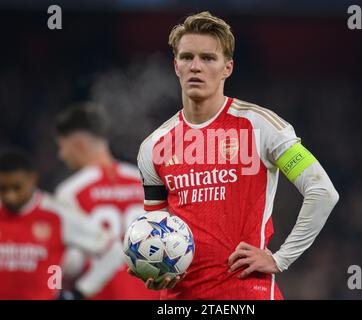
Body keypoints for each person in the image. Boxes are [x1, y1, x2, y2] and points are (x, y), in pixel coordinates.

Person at [132, 11, 339, 300]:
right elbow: (157, 232)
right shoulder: (153, 146)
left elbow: (322, 191)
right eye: (187, 57)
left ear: (227, 67)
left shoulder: (262, 126)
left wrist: (280, 259)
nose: (196, 67)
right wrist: (155, 271)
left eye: (208, 58)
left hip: (246, 295)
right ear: (175, 65)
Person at [54, 102, 159, 300]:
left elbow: (70, 260)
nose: (61, 156)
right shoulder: (144, 180)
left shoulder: (71, 191)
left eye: (61, 147)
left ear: (79, 145)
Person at [0, 149, 115, 299]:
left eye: (17, 188)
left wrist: (81, 291)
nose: (10, 197)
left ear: (32, 179)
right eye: (3, 189)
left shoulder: (57, 214)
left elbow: (114, 250)